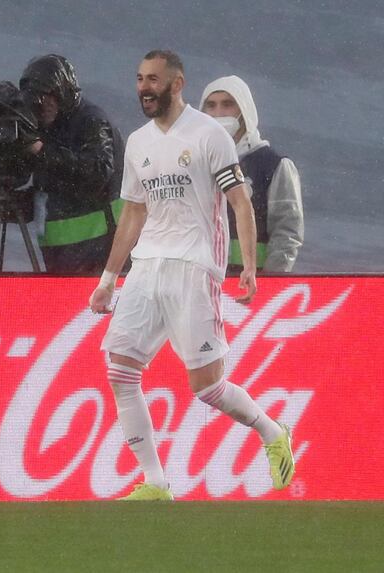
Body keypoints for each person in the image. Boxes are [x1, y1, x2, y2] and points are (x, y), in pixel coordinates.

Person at [89, 50, 295, 501]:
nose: (144, 87)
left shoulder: (208, 135)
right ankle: (156, 483)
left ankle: (271, 430)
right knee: (120, 372)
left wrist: (249, 270)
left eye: (154, 80)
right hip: (146, 269)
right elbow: (133, 214)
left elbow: (240, 201)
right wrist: (108, 279)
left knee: (207, 388)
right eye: (140, 79)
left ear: (177, 84)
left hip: (194, 267)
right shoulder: (139, 142)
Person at [0, 54, 124, 274]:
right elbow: (47, 197)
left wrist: (40, 150)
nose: (43, 106)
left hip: (99, 262)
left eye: (47, 98)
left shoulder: (91, 121)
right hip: (60, 265)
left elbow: (96, 174)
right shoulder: (47, 128)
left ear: (63, 93)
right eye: (35, 100)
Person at [200, 76, 304, 273]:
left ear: (244, 109)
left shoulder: (273, 165)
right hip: (198, 282)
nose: (218, 113)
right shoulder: (192, 162)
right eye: (211, 106)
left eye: (228, 104)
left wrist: (270, 285)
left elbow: (287, 233)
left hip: (250, 285)